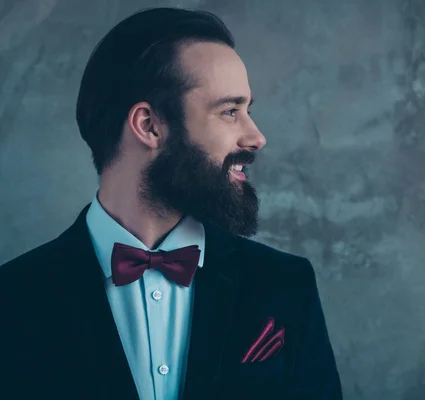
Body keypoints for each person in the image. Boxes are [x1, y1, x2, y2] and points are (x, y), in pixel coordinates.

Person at [0, 7, 342, 400]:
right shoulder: (13, 300)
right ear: (149, 126)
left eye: (248, 110)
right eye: (230, 111)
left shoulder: (285, 285)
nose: (256, 137)